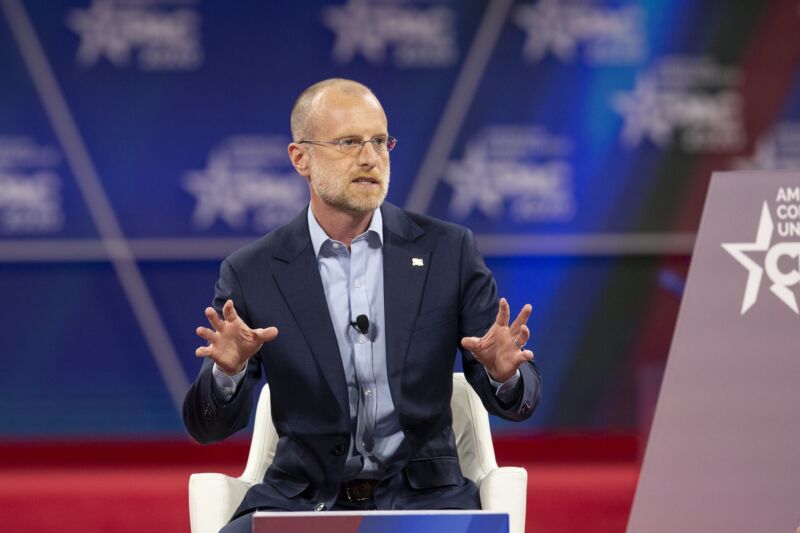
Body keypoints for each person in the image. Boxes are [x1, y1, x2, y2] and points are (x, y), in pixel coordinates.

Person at [183, 78, 541, 532]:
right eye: (349, 142)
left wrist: (504, 374)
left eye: (379, 141)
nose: (370, 158)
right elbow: (206, 427)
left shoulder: (447, 252)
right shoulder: (253, 271)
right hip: (302, 503)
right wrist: (227, 374)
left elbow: (518, 402)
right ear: (301, 159)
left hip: (426, 503)